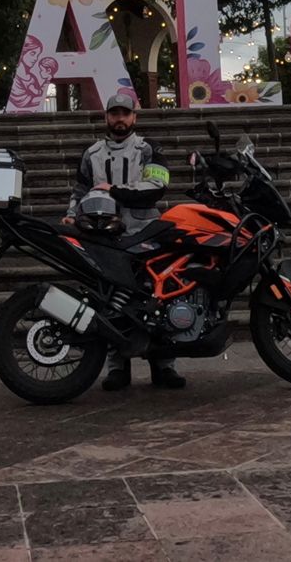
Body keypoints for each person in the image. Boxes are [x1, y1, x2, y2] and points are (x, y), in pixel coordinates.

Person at [62, 92, 185, 392]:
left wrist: (115, 191)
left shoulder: (148, 149)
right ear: (106, 117)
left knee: (158, 295)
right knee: (109, 300)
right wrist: (70, 214)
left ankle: (164, 365)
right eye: (114, 113)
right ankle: (117, 367)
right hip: (103, 237)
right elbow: (80, 189)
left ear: (134, 118)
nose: (119, 119)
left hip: (146, 233)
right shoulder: (91, 153)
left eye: (125, 114)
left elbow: (157, 186)